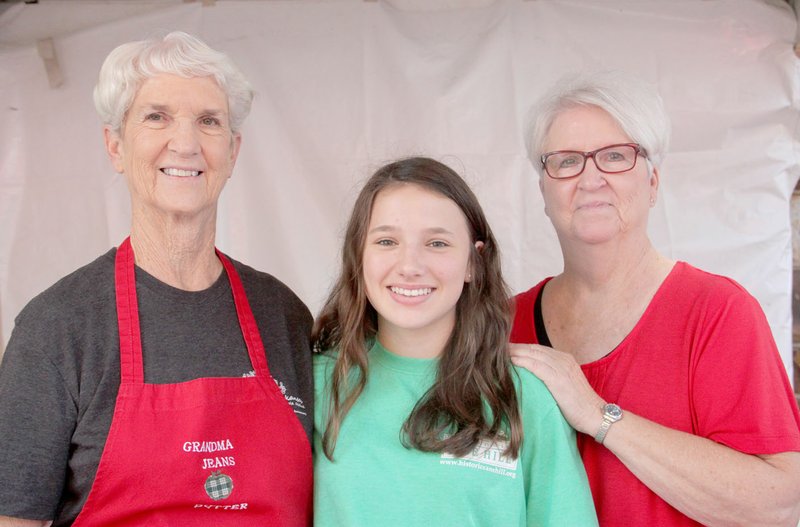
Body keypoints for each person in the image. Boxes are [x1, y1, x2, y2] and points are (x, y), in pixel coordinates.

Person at [0, 32, 312, 526]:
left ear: (232, 151)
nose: (185, 143)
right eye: (156, 116)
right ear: (116, 145)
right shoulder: (57, 327)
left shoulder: (283, 314)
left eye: (208, 121)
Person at [509, 70, 800, 526]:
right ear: (543, 191)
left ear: (652, 182)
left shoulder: (716, 312)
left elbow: (778, 505)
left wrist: (596, 415)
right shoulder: (503, 324)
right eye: (565, 161)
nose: (590, 178)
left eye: (615, 156)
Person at [312, 156, 598, 526]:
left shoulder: (525, 395)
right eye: (386, 241)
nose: (410, 265)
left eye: (436, 243)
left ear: (472, 263)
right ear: (359, 257)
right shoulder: (317, 383)